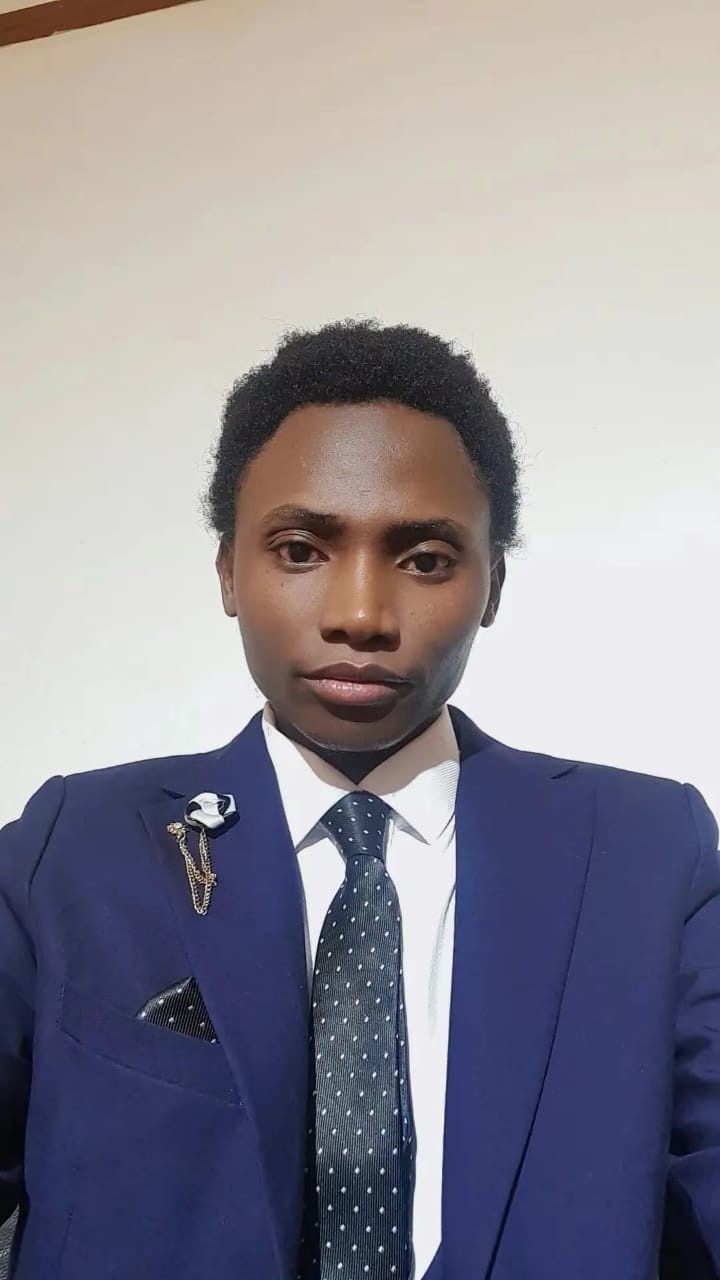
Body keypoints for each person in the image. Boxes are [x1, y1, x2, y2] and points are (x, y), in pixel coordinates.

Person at [0, 320, 718, 1280]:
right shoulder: (73, 851)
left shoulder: (647, 855)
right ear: (228, 570)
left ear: (493, 585)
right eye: (301, 549)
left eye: (425, 559)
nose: (360, 615)